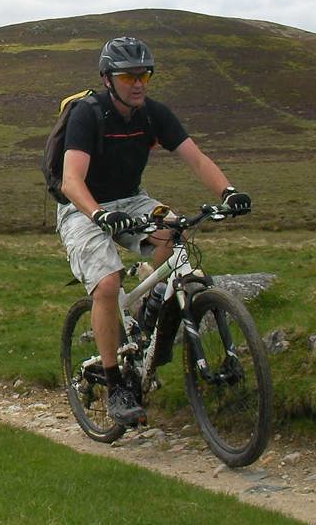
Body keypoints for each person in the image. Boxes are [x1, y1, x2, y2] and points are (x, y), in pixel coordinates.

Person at [56, 36, 252, 426]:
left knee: (173, 232)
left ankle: (150, 311)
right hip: (82, 207)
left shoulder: (152, 114)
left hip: (132, 200)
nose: (139, 83)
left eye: (144, 74)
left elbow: (195, 158)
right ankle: (117, 388)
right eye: (128, 76)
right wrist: (98, 215)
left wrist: (228, 193)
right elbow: (70, 181)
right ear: (107, 79)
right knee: (108, 284)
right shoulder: (88, 114)